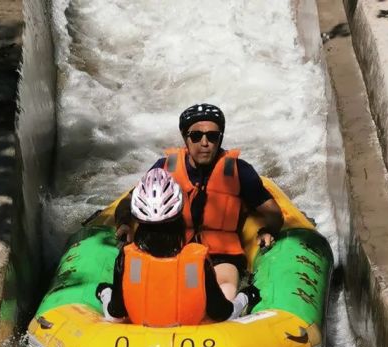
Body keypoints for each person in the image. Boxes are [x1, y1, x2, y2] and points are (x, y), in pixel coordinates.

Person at [115, 103, 284, 301]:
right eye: (196, 136)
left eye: (212, 136)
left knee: (225, 289)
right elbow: (129, 201)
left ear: (220, 138)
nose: (205, 143)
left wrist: (268, 231)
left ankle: (228, 312)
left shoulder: (240, 171)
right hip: (173, 248)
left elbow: (273, 213)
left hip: (221, 255)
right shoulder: (164, 169)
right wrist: (124, 223)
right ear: (185, 138)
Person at [97, 168, 259, 326]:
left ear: (139, 221)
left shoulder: (126, 259)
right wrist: (246, 296)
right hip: (192, 339)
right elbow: (222, 314)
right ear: (179, 217)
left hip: (139, 341)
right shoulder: (197, 262)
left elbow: (115, 313)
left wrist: (104, 292)